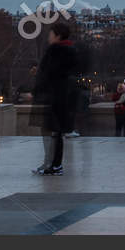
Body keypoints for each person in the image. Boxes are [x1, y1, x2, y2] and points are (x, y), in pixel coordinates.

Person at [33, 20, 81, 174]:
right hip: (64, 95)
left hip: (54, 95)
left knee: (52, 132)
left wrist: (36, 91)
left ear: (58, 36)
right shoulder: (71, 51)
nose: (49, 37)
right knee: (56, 132)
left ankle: (52, 164)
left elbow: (48, 73)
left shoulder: (55, 51)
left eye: (51, 34)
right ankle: (53, 164)